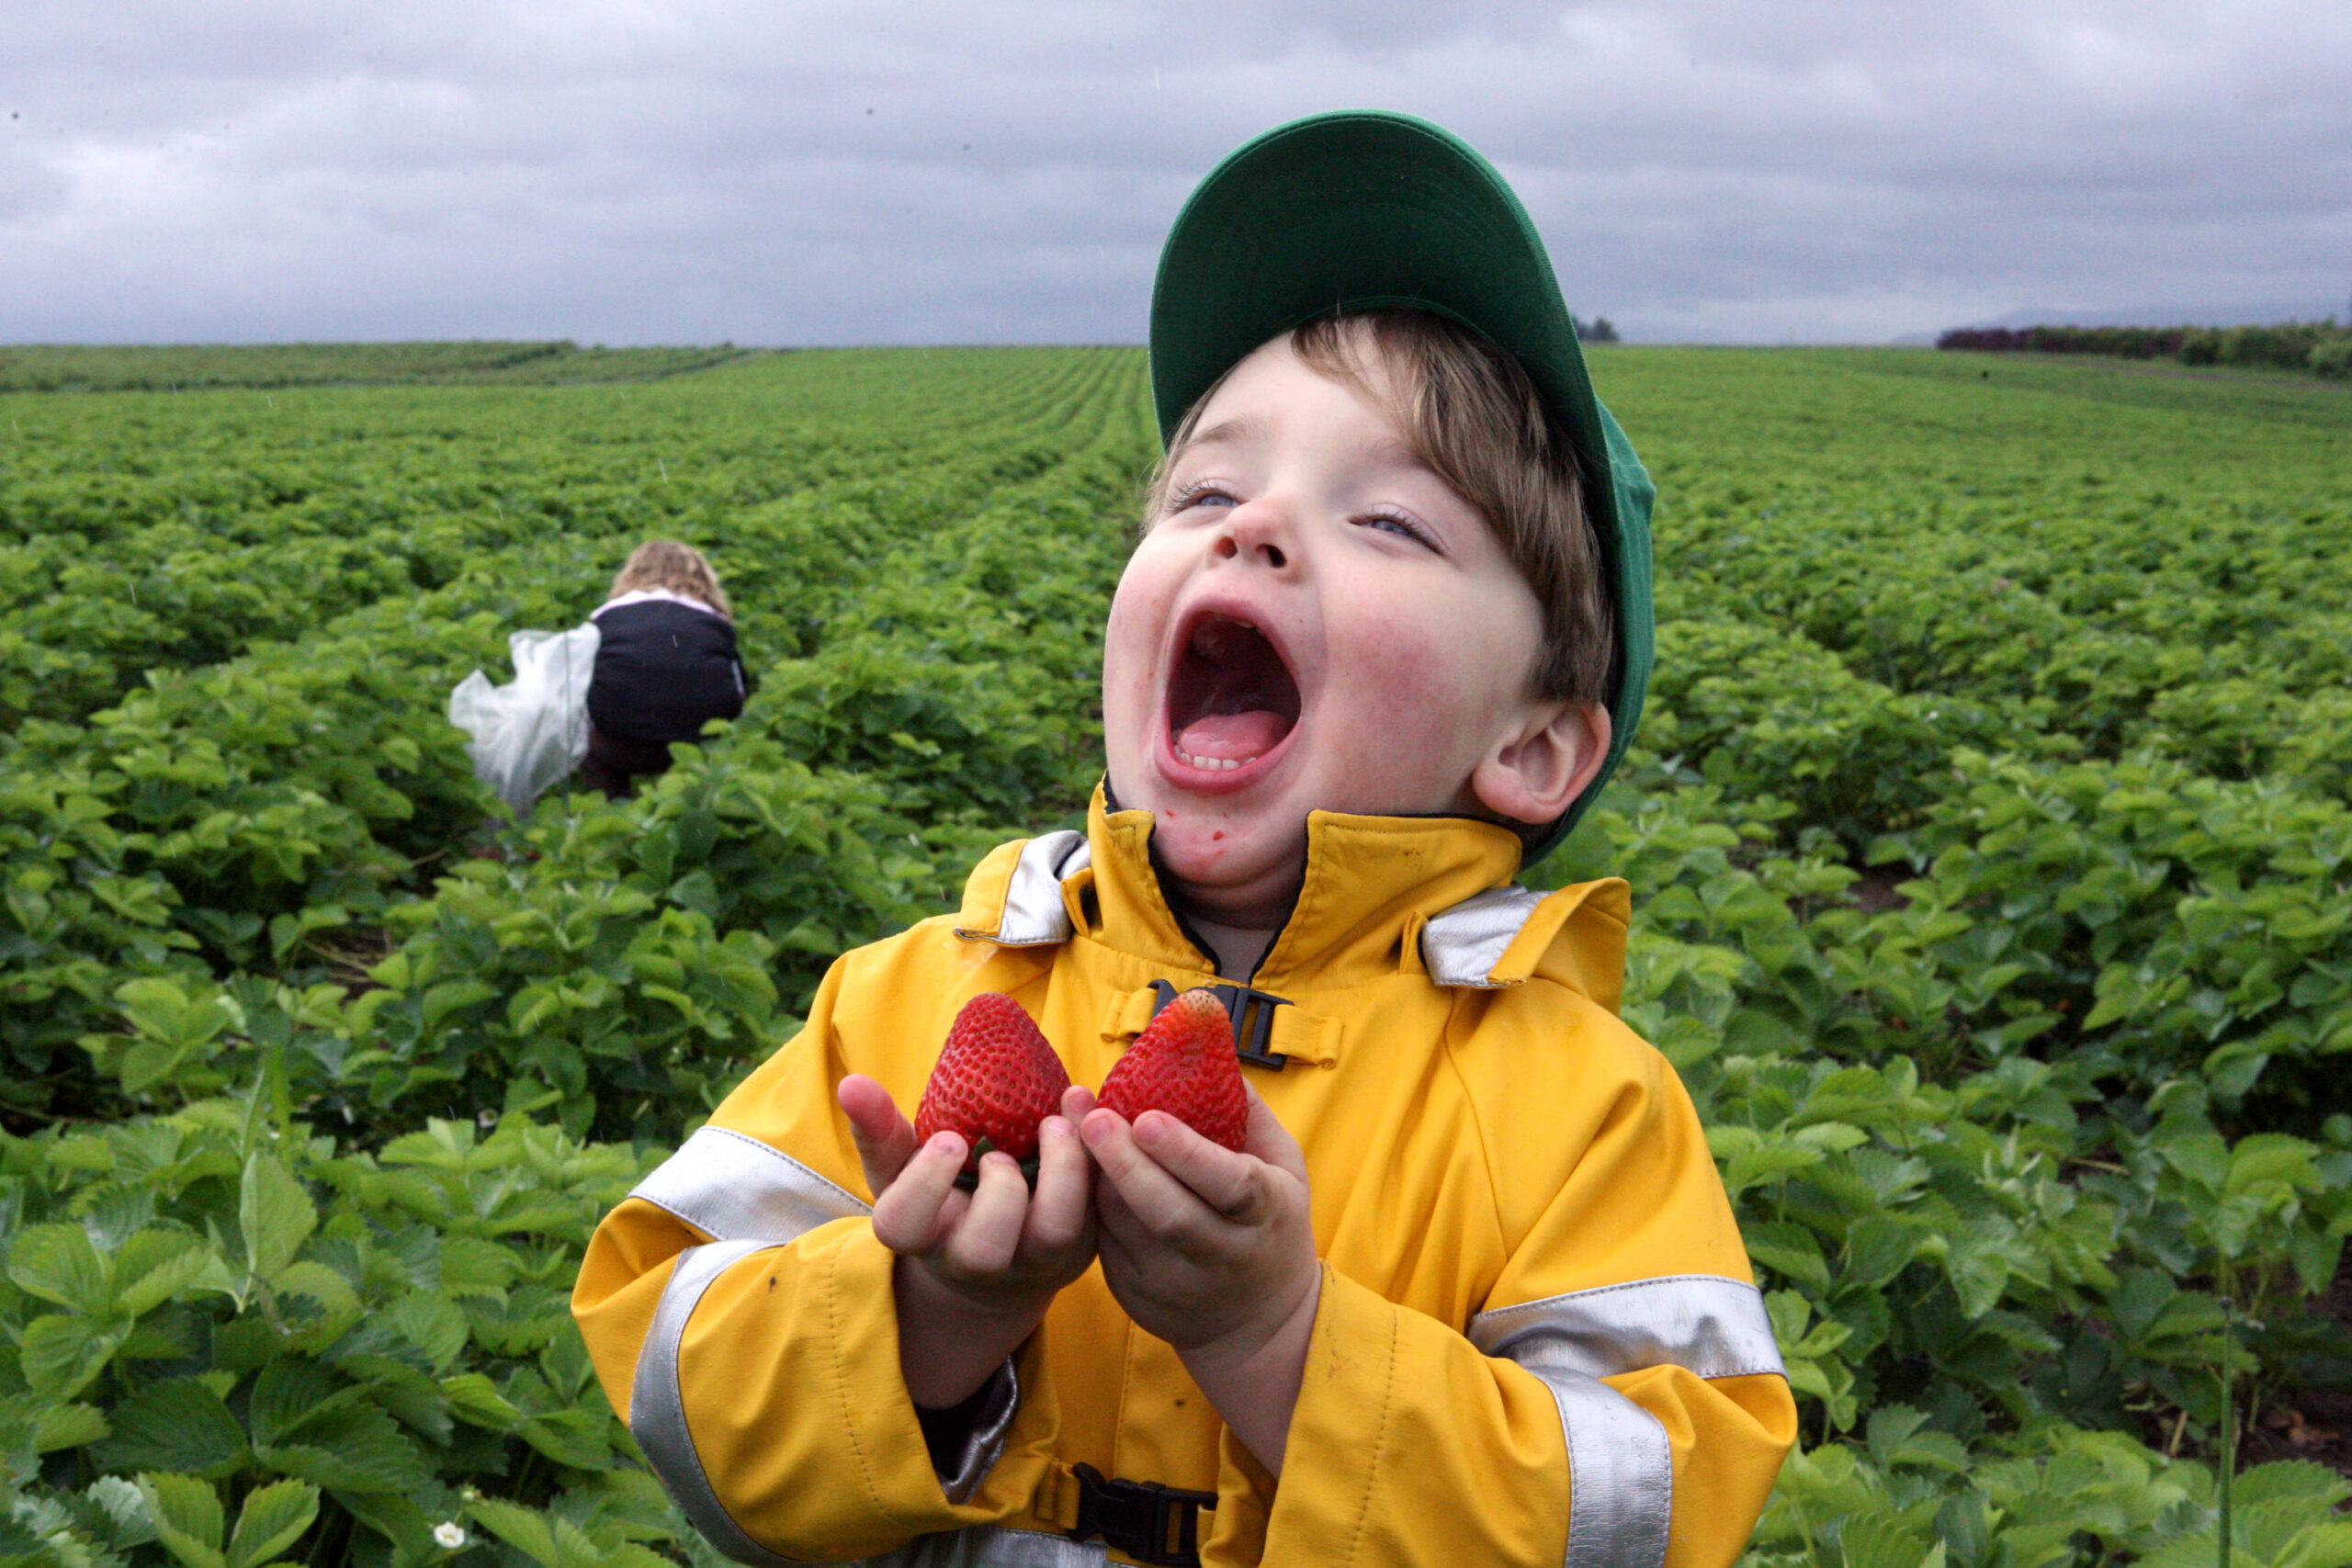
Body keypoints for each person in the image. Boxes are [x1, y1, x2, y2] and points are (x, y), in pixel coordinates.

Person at [573, 112, 1795, 1568]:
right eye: (1206, 490)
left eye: (1393, 521)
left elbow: (1643, 1520)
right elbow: (677, 1385)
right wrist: (934, 1312)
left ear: (1532, 744)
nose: (1257, 525)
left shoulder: (1579, 1106)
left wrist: (1278, 1334)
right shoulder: (906, 1006)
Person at [579, 540, 751, 798]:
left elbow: (580, 687)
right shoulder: (714, 620)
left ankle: (610, 807)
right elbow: (738, 692)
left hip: (617, 746)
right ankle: (690, 810)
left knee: (586, 730)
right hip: (697, 750)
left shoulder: (605, 616)